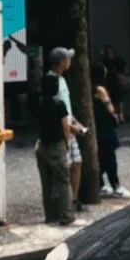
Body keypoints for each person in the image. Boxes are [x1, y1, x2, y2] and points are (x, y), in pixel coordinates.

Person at [36, 73, 82, 225]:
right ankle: (66, 215)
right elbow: (64, 127)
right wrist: (67, 143)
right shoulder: (60, 104)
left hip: (42, 145)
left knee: (46, 183)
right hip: (57, 145)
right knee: (62, 181)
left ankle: (50, 215)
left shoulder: (39, 103)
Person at [93, 85, 130, 199]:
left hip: (98, 128)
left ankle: (100, 184)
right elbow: (111, 109)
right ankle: (116, 186)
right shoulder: (100, 90)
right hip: (104, 128)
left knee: (103, 159)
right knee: (110, 160)